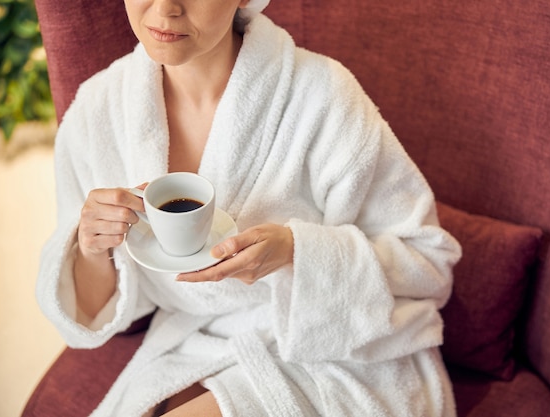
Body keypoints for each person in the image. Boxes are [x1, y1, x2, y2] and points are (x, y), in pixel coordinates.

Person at [36, 0, 462, 416]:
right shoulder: (97, 112)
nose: (165, 8)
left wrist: (297, 252)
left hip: (335, 348)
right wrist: (91, 249)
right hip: (193, 343)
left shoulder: (322, 94)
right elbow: (90, 313)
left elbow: (428, 262)